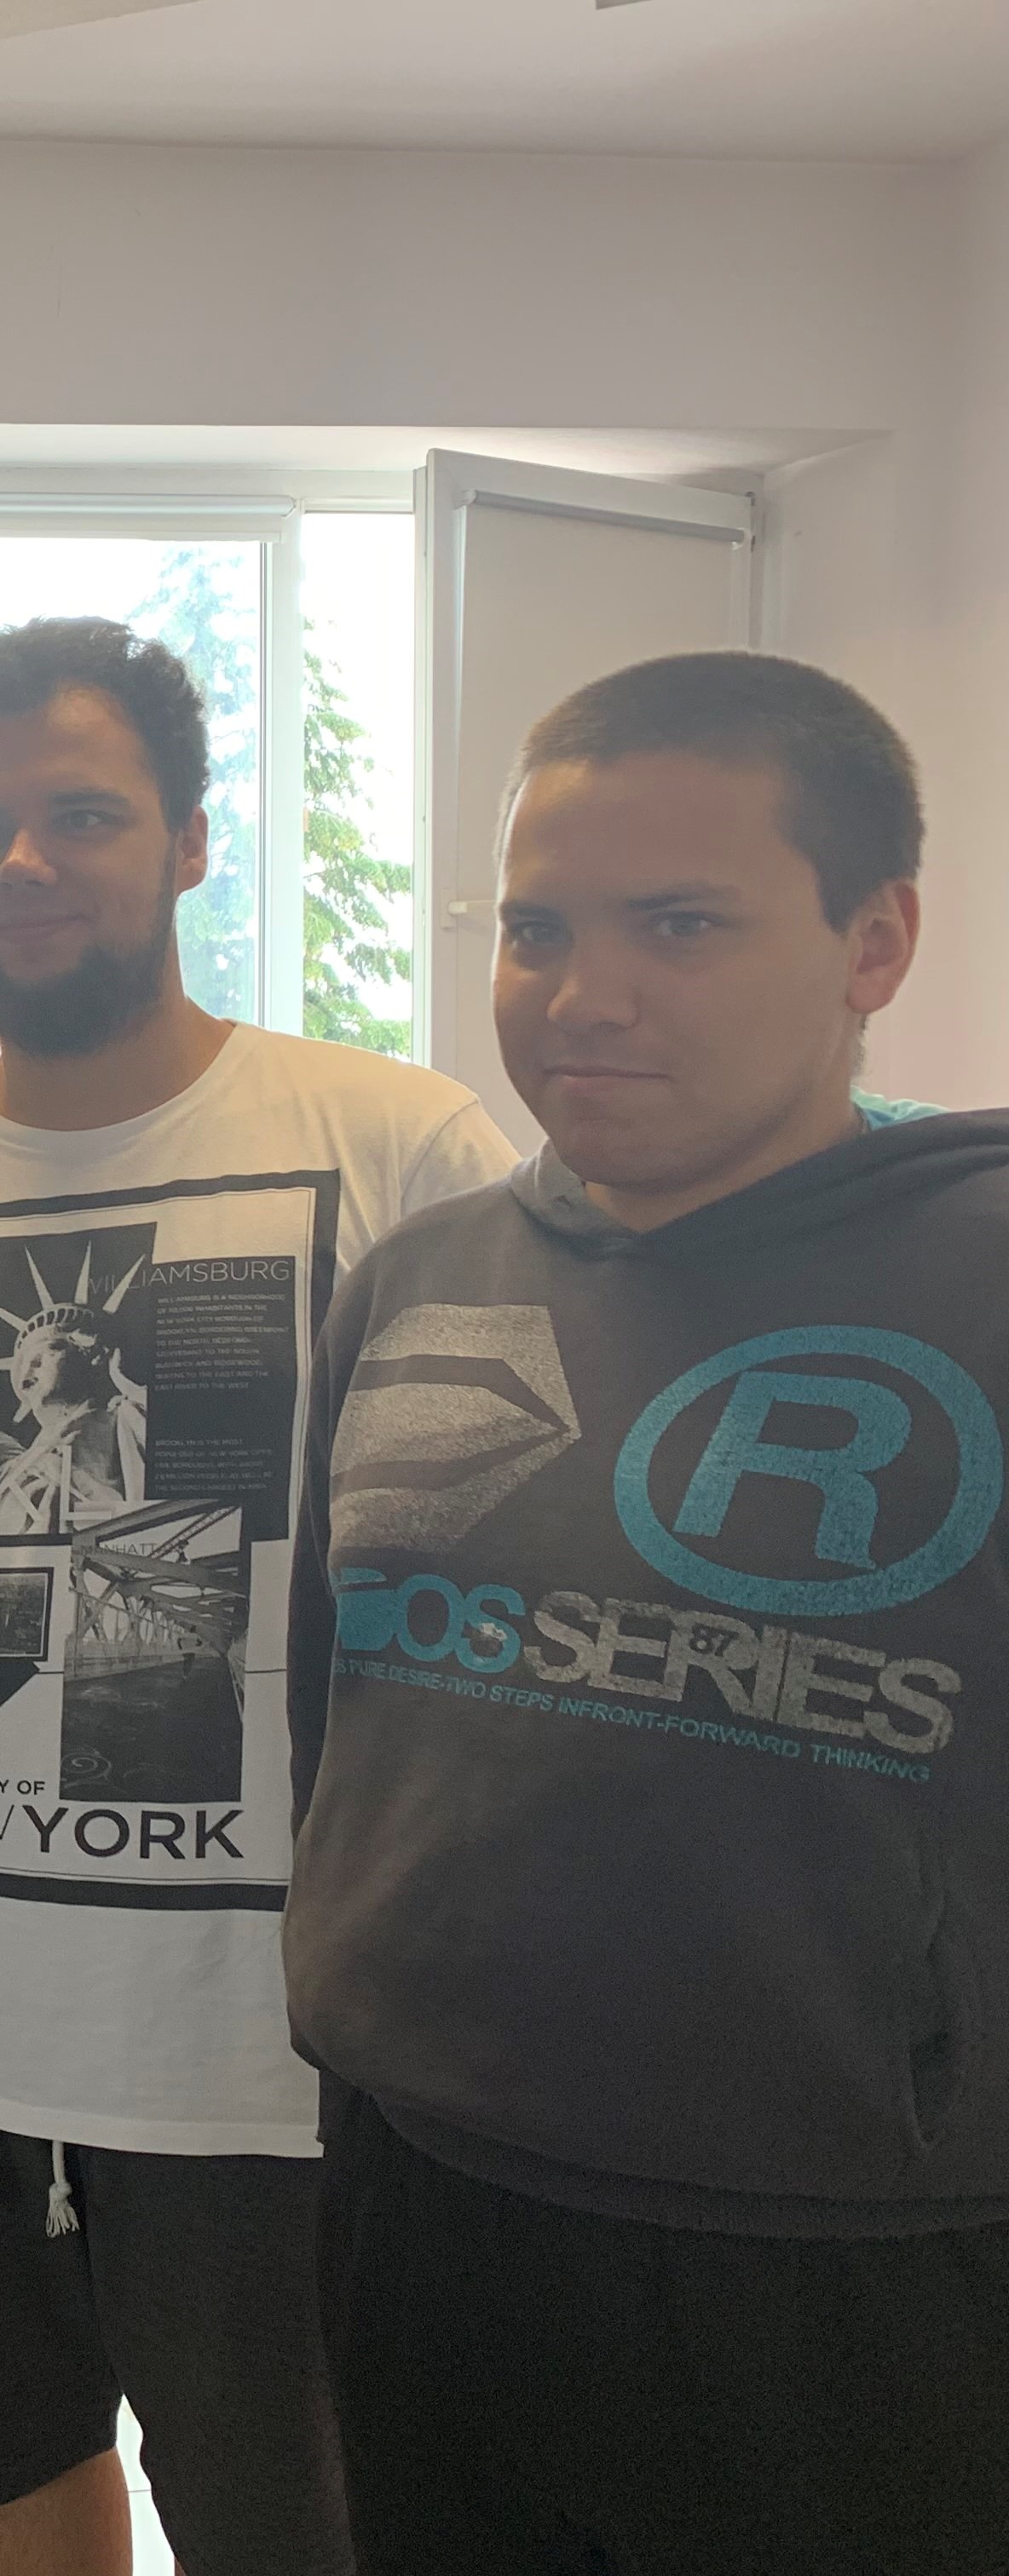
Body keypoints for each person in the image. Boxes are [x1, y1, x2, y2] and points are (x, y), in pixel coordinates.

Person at [0, 619, 514, 2575]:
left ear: (191, 842)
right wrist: (24, 1584)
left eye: (83, 814)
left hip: (265, 2053)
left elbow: (490, 1552)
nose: (27, 862)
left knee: (299, 2534)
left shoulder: (397, 1145)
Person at [285, 652, 1009, 2573]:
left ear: (876, 942)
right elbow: (336, 1718)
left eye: (678, 925)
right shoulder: (422, 1280)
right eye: (538, 929)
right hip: (429, 2199)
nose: (580, 993)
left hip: (861, 2256)